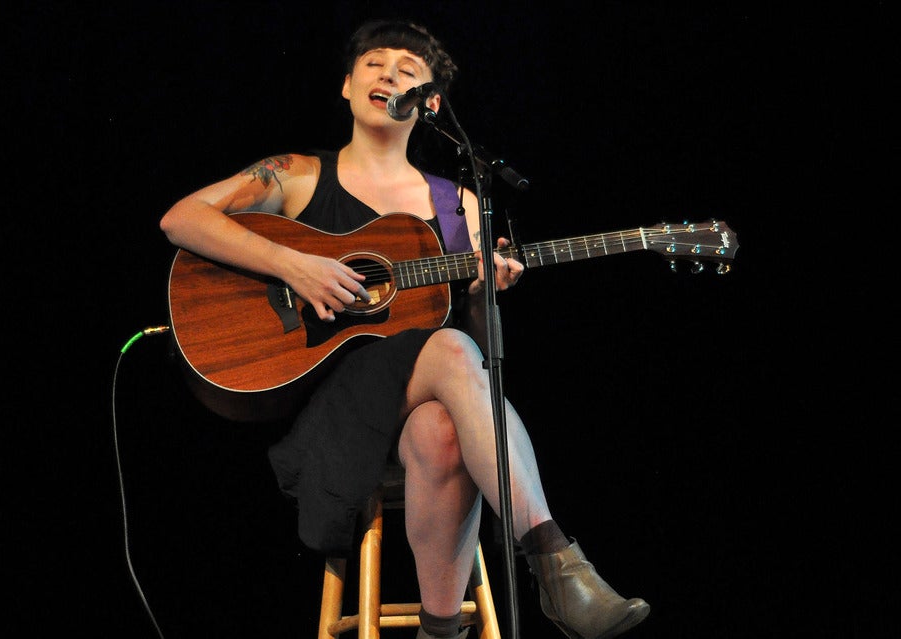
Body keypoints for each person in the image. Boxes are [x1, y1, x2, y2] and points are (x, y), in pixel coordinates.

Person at [159, 19, 649, 639]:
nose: (390, 73)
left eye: (409, 70)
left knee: (444, 423)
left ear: (432, 103)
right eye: (374, 63)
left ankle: (440, 629)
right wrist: (296, 265)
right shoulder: (298, 174)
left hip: (422, 406)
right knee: (447, 348)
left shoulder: (460, 204)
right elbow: (182, 220)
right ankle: (555, 562)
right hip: (330, 415)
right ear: (346, 86)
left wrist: (480, 291)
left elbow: (483, 351)